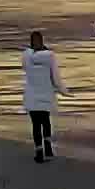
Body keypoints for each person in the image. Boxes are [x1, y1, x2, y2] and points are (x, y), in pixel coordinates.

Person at [21, 31, 70, 162]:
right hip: (46, 94)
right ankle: (48, 148)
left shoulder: (26, 57)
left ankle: (39, 152)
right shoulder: (50, 57)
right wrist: (64, 91)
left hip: (32, 95)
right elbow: (56, 77)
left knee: (36, 125)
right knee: (46, 122)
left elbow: (25, 69)